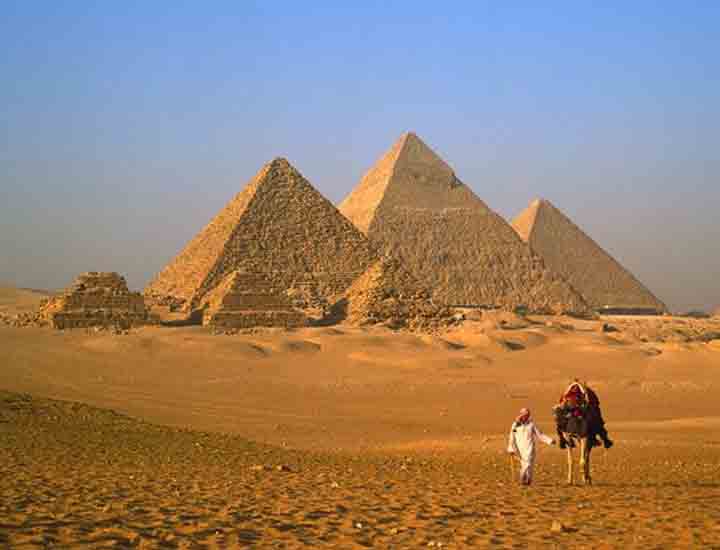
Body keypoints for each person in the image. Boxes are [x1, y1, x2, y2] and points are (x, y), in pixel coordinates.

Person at [553, 381, 613, 449]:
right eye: (573, 387)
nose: (575, 388)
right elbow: (562, 403)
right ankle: (563, 440)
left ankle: (602, 440)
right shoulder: (567, 396)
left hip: (582, 411)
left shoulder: (585, 395)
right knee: (560, 423)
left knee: (596, 422)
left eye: (576, 387)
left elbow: (588, 402)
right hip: (571, 412)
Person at [507, 407, 555, 485]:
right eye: (524, 414)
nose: (526, 416)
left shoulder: (531, 424)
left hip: (530, 447)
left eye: (527, 415)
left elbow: (540, 435)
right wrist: (510, 448)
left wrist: (549, 440)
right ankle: (526, 480)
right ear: (521, 414)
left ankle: (524, 477)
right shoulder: (515, 425)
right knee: (525, 464)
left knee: (529, 463)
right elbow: (512, 436)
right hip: (519, 448)